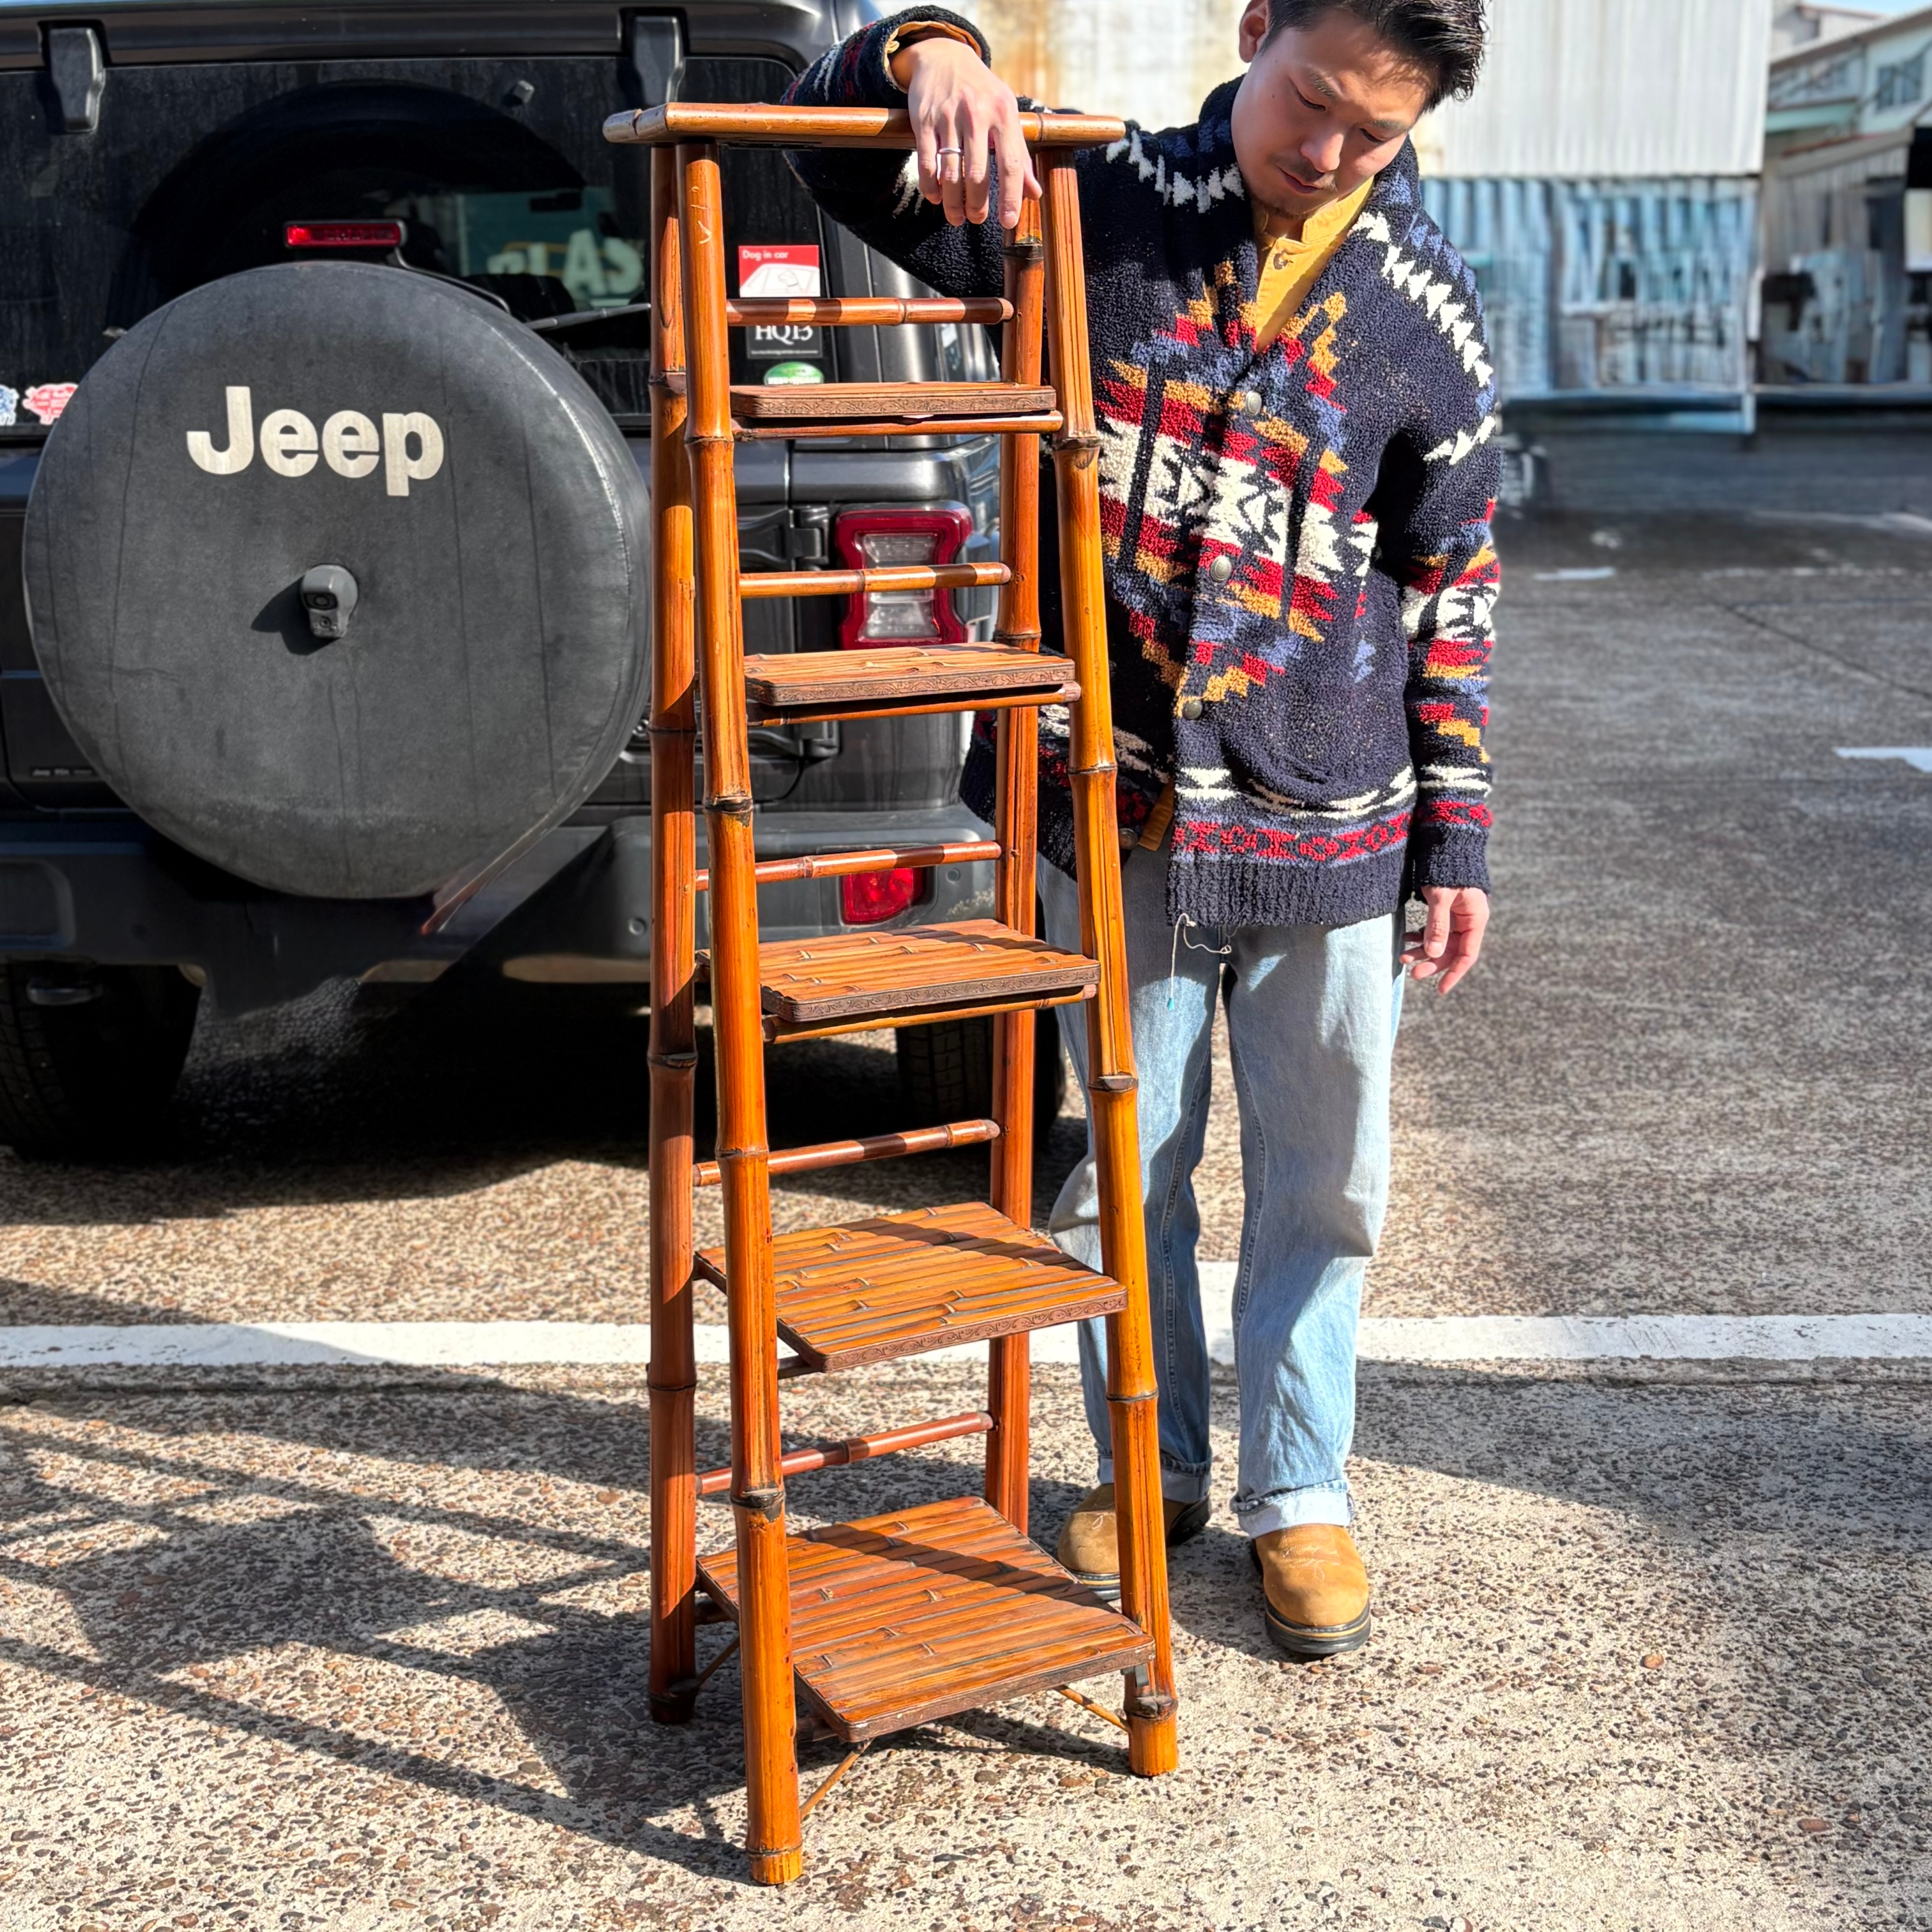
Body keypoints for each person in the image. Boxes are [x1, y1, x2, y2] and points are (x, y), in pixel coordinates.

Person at [782, 0, 1497, 1659]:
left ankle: (1301, 1489)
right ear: (1257, 27)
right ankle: (1153, 1462)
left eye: (1372, 134)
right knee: (1134, 1160)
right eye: (1308, 99)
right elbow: (842, 146)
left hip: (1339, 824)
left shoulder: (1429, 320)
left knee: (1329, 1182)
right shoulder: (1080, 206)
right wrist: (926, 53)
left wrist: (1457, 831)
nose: (1323, 153)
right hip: (1122, 801)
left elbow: (1450, 588)